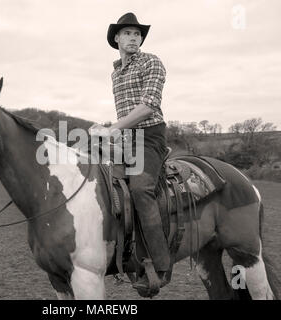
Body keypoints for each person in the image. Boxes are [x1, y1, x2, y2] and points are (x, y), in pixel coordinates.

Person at [90, 12, 171, 290]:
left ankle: (159, 267)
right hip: (125, 138)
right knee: (94, 176)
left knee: (139, 189)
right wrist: (105, 130)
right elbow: (124, 115)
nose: (133, 38)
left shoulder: (152, 62)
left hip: (149, 137)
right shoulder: (115, 73)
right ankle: (112, 252)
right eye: (127, 33)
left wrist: (112, 128)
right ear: (116, 38)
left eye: (137, 34)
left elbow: (149, 105)